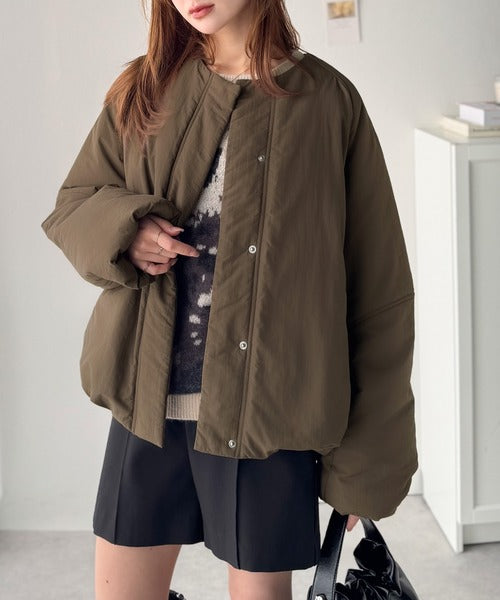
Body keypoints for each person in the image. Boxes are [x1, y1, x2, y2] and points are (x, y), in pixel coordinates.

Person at [40, 1, 418, 599]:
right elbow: (74, 204)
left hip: (269, 418)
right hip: (147, 407)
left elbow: (378, 293)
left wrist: (365, 467)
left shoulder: (328, 102)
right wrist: (127, 231)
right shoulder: (145, 89)